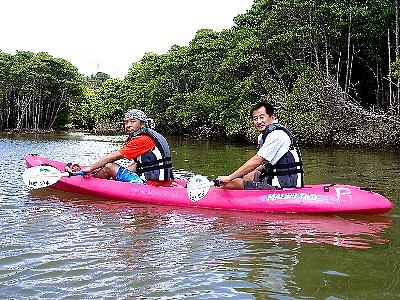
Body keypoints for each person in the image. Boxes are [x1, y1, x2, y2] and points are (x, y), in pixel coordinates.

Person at [217, 102, 304, 190]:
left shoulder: (277, 134)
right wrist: (251, 172)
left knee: (231, 183)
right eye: (255, 118)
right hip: (274, 180)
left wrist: (229, 178)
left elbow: (257, 161)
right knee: (250, 174)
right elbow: (268, 164)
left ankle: (210, 194)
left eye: (262, 117)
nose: (258, 122)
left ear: (272, 117)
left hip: (284, 187)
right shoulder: (264, 136)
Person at [81, 109, 175, 187]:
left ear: (142, 124)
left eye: (133, 121)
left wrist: (91, 168)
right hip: (163, 182)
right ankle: (98, 177)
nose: (128, 125)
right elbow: (139, 164)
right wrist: (120, 173)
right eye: (126, 122)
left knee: (109, 167)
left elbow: (114, 156)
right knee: (117, 169)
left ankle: (90, 183)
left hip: (150, 184)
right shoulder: (153, 136)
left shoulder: (142, 139)